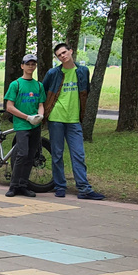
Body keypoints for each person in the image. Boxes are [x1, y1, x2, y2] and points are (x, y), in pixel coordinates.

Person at [41, 42, 105, 200]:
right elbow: (44, 92)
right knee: (57, 154)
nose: (62, 56)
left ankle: (84, 188)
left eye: (64, 52)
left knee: (78, 154)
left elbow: (85, 93)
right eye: (59, 55)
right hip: (56, 118)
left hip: (74, 120)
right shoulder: (53, 73)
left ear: (71, 51)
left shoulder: (82, 71)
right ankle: (60, 186)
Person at [3, 53, 45, 197]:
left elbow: (41, 104)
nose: (30, 67)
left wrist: (40, 115)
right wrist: (27, 117)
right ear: (22, 66)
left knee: (31, 155)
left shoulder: (39, 85)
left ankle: (23, 184)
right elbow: (9, 106)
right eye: (28, 64)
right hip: (22, 124)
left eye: (33, 64)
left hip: (35, 125)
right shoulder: (16, 84)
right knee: (22, 153)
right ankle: (13, 185)